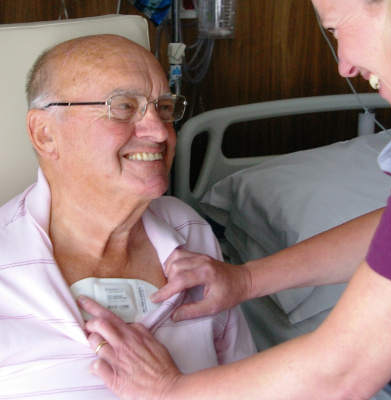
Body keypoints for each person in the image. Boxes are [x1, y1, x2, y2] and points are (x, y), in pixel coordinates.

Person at [81, 1, 391, 399]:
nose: (344, 66)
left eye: (335, 28)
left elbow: (342, 372)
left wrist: (170, 390)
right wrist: (246, 280)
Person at [0, 34, 255, 399]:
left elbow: (245, 383)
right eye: (122, 107)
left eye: (163, 108)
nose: (159, 131)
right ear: (45, 134)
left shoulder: (188, 231)